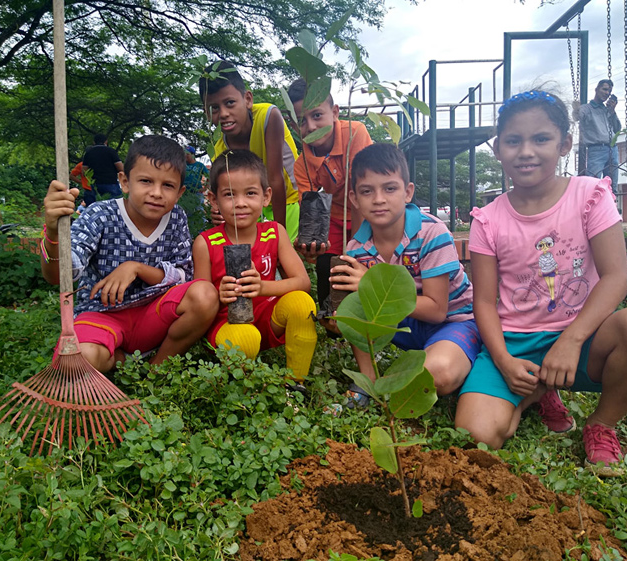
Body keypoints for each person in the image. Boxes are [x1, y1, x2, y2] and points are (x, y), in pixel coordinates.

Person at [455, 90, 627, 476]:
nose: (526, 152)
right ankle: (537, 390)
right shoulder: (487, 219)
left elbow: (616, 277)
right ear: (497, 149)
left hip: (584, 337)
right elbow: (483, 302)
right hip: (516, 342)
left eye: (541, 139)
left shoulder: (590, 196)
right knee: (477, 435)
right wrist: (503, 361)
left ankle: (601, 424)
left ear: (564, 144)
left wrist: (571, 340)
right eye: (513, 141)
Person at [41, 135, 219, 373]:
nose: (156, 193)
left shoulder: (176, 217)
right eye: (146, 181)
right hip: (102, 314)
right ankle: (120, 359)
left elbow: (184, 275)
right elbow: (60, 274)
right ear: (124, 182)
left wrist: (136, 268)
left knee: (205, 294)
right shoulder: (100, 214)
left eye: (168, 185)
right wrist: (54, 234)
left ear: (180, 192)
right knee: (76, 361)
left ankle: (156, 369)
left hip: (153, 317)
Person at [329, 143, 481, 407]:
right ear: (354, 198)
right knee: (355, 303)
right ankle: (369, 380)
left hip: (454, 321)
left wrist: (369, 283)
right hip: (405, 325)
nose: (379, 199)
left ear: (408, 192)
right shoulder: (356, 249)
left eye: (390, 188)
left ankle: (462, 356)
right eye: (367, 191)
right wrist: (340, 319)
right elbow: (357, 309)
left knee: (437, 374)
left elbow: (437, 310)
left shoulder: (431, 233)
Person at [192, 149, 317, 385]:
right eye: (229, 194)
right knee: (246, 338)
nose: (240, 203)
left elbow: (303, 282)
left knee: (302, 303)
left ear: (266, 196)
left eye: (250, 193)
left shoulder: (275, 233)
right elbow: (199, 302)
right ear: (214, 200)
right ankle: (246, 393)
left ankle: (295, 383)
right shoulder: (206, 243)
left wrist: (262, 288)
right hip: (227, 325)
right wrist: (219, 294)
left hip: (266, 319)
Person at [287, 77, 373, 318]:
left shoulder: (355, 133)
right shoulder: (302, 165)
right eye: (302, 121)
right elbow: (312, 214)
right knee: (328, 265)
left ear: (335, 112)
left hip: (368, 214)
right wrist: (310, 245)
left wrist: (355, 247)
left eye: (317, 115)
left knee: (363, 261)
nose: (311, 127)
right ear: (293, 126)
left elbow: (362, 192)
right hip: (334, 219)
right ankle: (332, 318)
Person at [198, 61, 300, 240]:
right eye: (214, 108)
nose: (223, 113)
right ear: (206, 112)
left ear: (247, 99)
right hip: (250, 209)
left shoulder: (268, 116)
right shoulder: (218, 148)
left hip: (288, 202)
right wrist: (219, 211)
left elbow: (275, 180)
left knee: (285, 254)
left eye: (230, 103)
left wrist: (279, 239)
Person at [579, 80, 622, 194]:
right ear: (596, 89)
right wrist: (575, 109)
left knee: (612, 186)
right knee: (593, 183)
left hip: (612, 149)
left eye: (609, 91)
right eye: (604, 89)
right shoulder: (587, 108)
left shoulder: (607, 110)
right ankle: (592, 203)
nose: (607, 93)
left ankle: (611, 203)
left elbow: (617, 129)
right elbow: (577, 116)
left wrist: (612, 112)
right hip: (596, 149)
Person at [82, 133, 125, 200]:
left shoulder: (88, 153)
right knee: (115, 203)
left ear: (94, 142)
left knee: (97, 205)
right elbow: (120, 168)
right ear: (106, 141)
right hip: (111, 183)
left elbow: (84, 171)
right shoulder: (111, 151)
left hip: (95, 185)